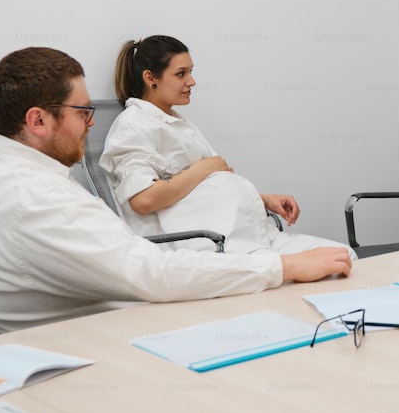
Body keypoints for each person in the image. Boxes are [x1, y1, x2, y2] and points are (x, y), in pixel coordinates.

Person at [0, 47, 352, 334]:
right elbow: (152, 272)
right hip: (106, 343)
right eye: (82, 112)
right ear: (37, 121)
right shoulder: (33, 197)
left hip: (103, 323)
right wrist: (283, 267)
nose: (90, 123)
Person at [99, 35, 356, 258]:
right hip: (209, 247)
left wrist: (263, 200)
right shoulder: (134, 125)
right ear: (150, 78)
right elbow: (143, 200)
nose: (192, 81)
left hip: (242, 236)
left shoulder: (174, 122)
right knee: (334, 263)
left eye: (191, 71)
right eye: (181, 74)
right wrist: (204, 168)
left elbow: (203, 189)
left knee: (345, 256)